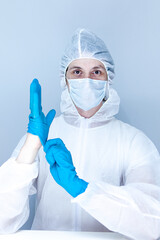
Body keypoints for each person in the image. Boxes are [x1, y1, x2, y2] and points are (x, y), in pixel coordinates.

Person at [0, 28, 160, 240]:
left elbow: (153, 222)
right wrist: (30, 147)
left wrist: (84, 190)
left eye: (96, 72)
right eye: (76, 72)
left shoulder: (132, 141)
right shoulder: (44, 136)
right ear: (64, 79)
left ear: (108, 79)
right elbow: (3, 221)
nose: (86, 80)